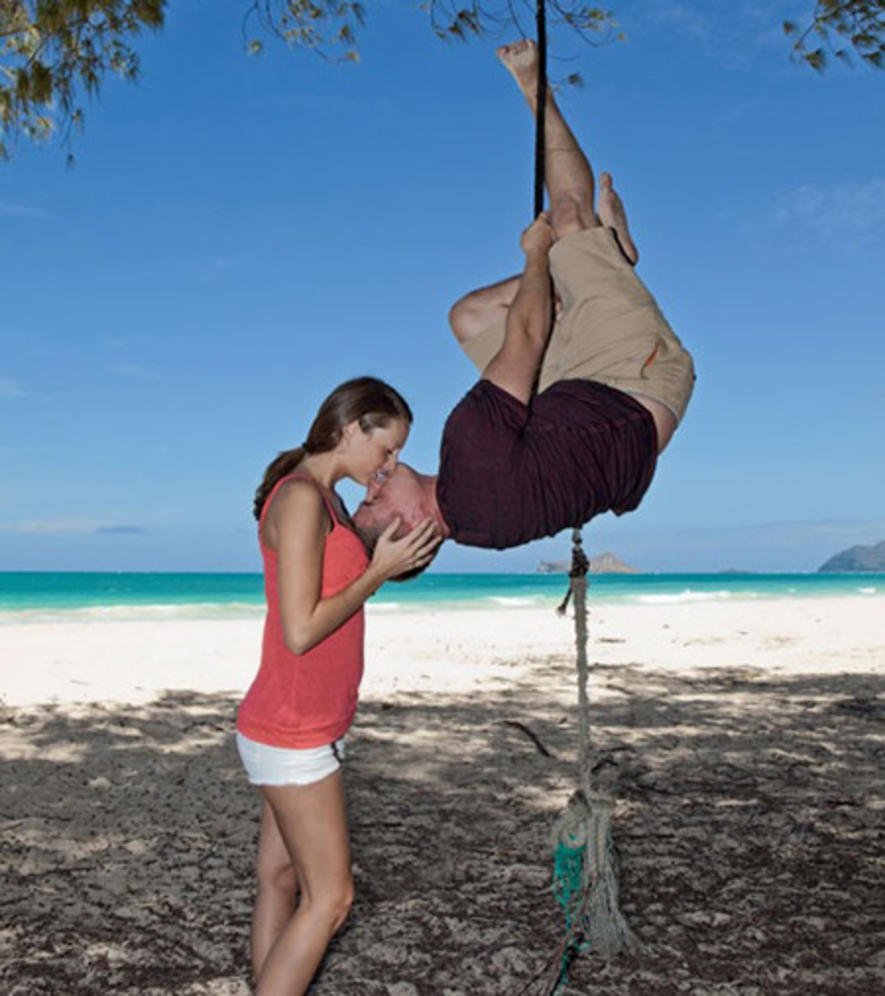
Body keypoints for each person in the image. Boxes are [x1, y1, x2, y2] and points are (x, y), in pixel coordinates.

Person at [353, 40, 695, 559]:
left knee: (468, 317)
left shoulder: (479, 531)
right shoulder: (470, 454)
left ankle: (597, 261)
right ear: (414, 527)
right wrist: (538, 254)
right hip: (632, 378)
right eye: (373, 505)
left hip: (582, 400)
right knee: (568, 218)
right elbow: (529, 336)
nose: (369, 488)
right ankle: (538, 92)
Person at [236, 376, 440, 995]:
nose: (390, 465)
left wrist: (394, 559)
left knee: (281, 879)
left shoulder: (324, 498)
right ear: (352, 427)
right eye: (387, 449)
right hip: (292, 729)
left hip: (302, 725)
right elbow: (300, 630)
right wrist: (377, 574)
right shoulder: (301, 498)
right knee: (332, 898)